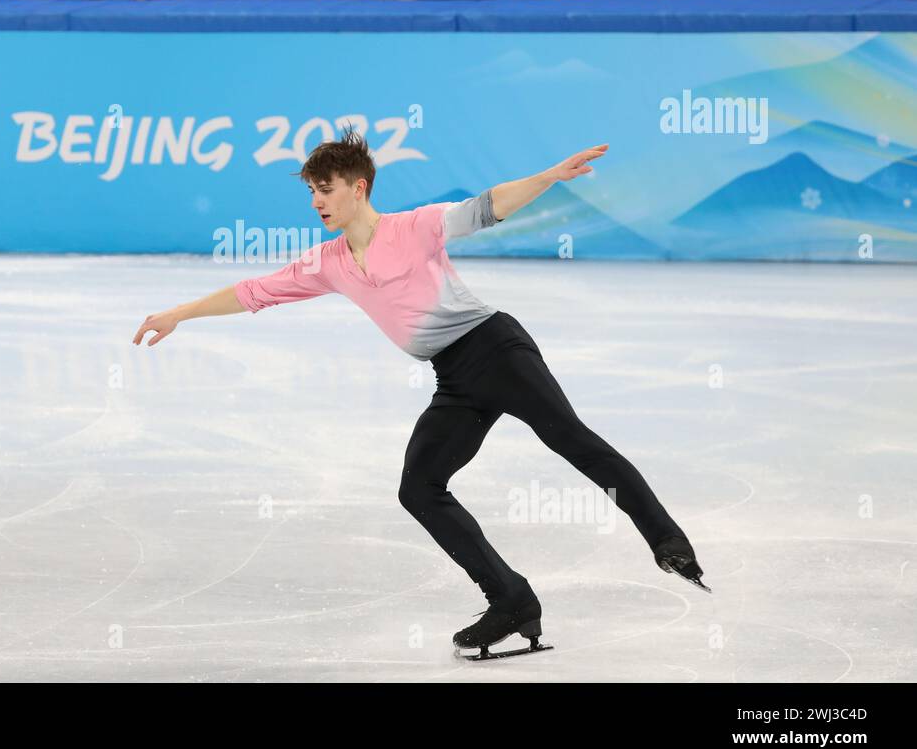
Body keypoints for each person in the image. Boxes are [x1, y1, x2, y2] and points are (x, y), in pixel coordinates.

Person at [133, 132, 708, 659]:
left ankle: (668, 542)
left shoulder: (414, 227)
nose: (316, 202)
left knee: (574, 443)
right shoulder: (330, 263)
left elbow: (487, 207)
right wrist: (182, 312)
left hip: (497, 350)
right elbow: (256, 291)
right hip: (454, 378)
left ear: (359, 189)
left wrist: (549, 177)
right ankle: (512, 600)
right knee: (420, 487)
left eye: (325, 190)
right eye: (312, 192)